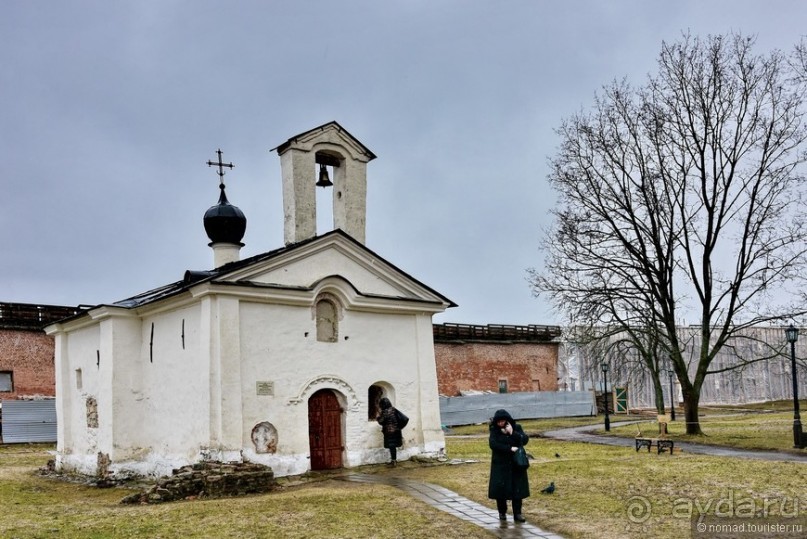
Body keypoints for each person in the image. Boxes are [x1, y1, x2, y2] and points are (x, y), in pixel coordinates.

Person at [488, 409, 530, 522]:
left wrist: (512, 433)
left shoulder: (517, 427)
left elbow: (524, 440)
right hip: (501, 465)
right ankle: (502, 513)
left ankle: (518, 514)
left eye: (503, 421)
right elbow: (493, 444)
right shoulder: (494, 430)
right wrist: (509, 448)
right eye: (499, 422)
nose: (501, 423)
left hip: (516, 464)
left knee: (517, 490)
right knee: (500, 491)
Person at [376, 397, 407, 466]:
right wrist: (400, 427)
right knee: (393, 447)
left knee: (392, 446)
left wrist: (378, 418)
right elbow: (404, 419)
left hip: (389, 432)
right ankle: (394, 460)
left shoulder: (385, 412)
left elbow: (381, 421)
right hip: (396, 431)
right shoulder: (394, 410)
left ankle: (393, 461)